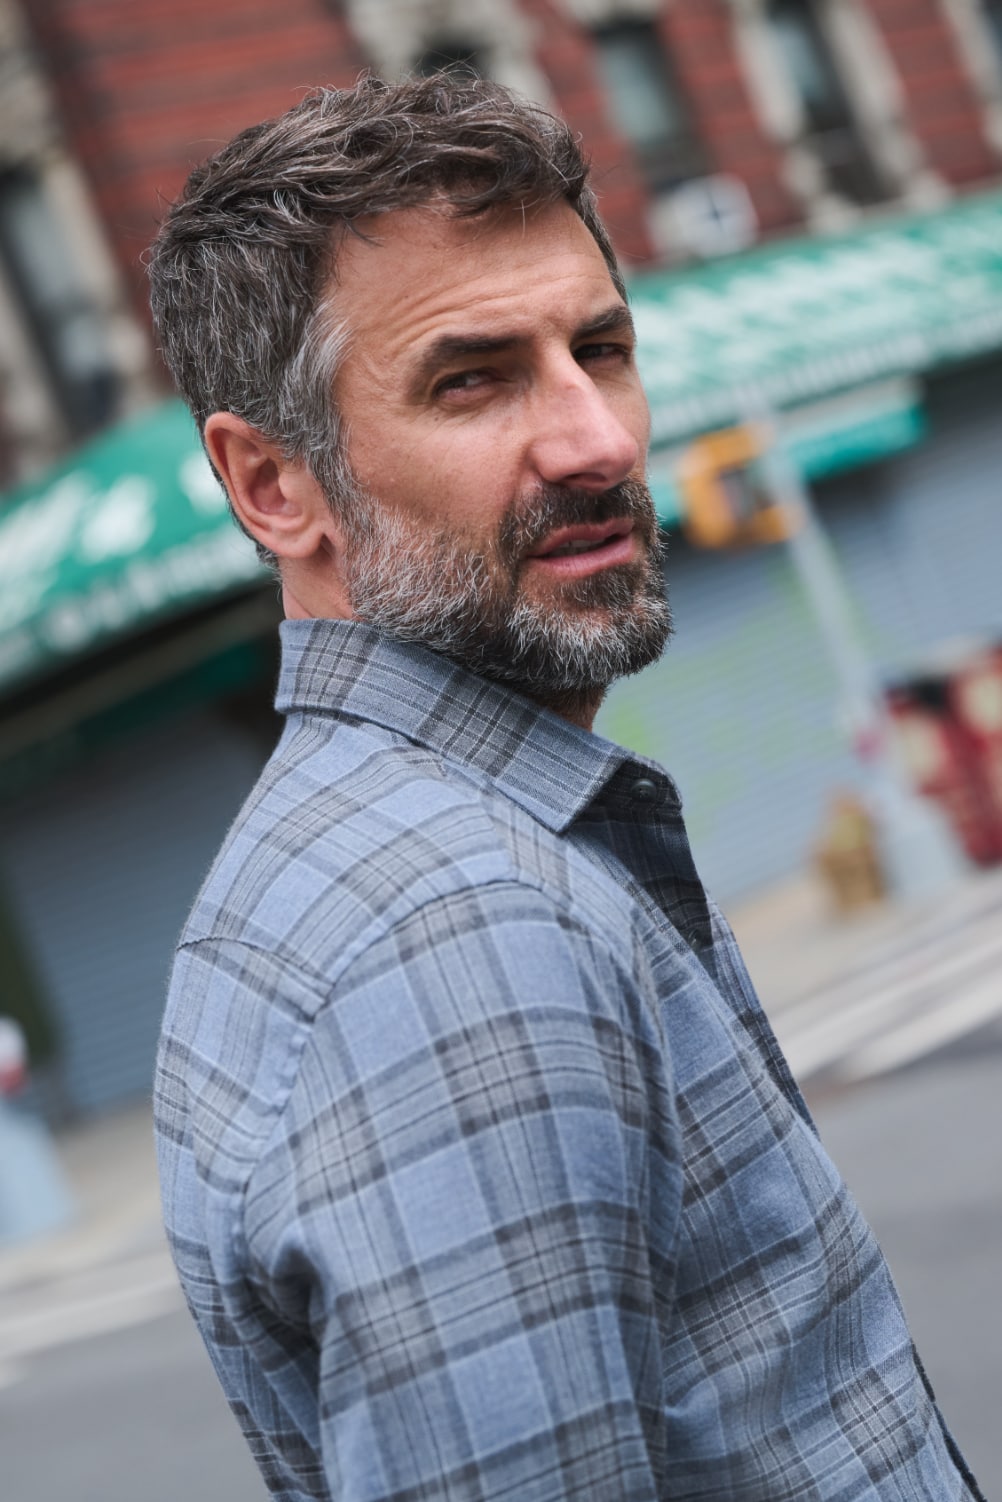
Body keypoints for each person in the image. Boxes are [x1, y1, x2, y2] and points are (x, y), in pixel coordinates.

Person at [150, 75, 982, 1502]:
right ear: (274, 484)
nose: (593, 438)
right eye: (470, 378)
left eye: (599, 349)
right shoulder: (449, 925)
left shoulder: (361, 853)